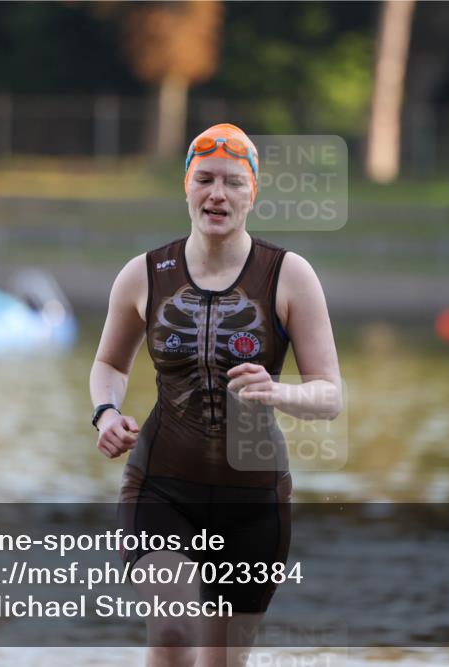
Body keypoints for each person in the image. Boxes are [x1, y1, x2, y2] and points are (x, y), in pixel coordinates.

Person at [90, 123, 342, 667]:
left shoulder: (289, 275)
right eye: (204, 179)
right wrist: (105, 411)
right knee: (175, 628)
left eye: (233, 182)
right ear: (186, 186)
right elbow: (110, 363)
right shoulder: (144, 274)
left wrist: (277, 392)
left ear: (253, 193)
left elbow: (329, 395)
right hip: (162, 487)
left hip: (252, 501)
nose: (217, 194)